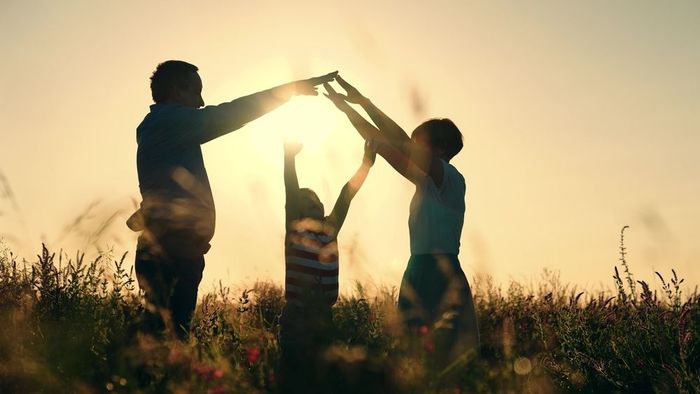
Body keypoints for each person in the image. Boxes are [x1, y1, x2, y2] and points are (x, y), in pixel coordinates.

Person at [128, 60, 337, 340]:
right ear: (178, 90)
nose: (201, 102)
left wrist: (147, 212)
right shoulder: (170, 122)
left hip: (174, 247)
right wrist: (290, 90)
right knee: (169, 337)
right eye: (196, 92)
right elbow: (231, 113)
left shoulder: (160, 129)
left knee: (161, 333)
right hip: (174, 250)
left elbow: (162, 185)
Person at [324, 76, 479, 367]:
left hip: (439, 272)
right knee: (412, 358)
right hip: (418, 269)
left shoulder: (450, 178)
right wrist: (345, 107)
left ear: (441, 147)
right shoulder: (424, 181)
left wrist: (367, 103)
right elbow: (377, 140)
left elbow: (399, 143)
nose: (414, 147)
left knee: (446, 360)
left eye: (420, 143)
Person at [279, 139, 375, 393]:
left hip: (323, 315)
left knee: (321, 377)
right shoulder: (295, 232)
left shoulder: (330, 231)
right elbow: (290, 191)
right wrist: (289, 159)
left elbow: (346, 195)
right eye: (307, 202)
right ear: (296, 211)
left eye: (317, 201)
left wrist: (366, 164)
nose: (315, 205)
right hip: (296, 316)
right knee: (294, 375)